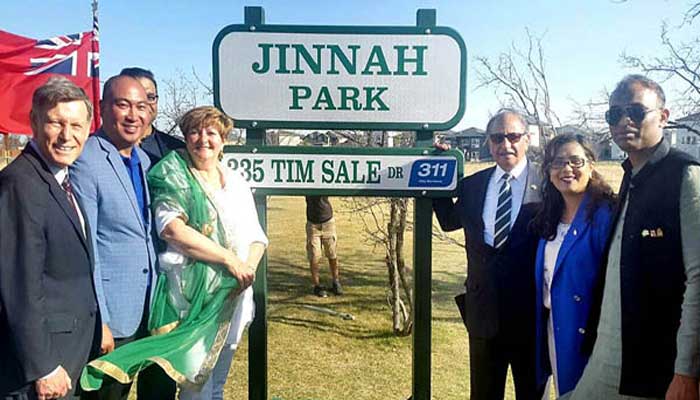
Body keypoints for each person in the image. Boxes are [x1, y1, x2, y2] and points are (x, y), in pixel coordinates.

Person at [80, 106, 267, 400]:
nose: (202, 139)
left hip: (234, 296)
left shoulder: (235, 181)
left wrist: (246, 272)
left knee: (217, 382)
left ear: (224, 139)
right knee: (195, 383)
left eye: (211, 133)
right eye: (194, 131)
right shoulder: (173, 173)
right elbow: (171, 229)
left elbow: (256, 236)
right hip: (191, 299)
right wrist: (230, 261)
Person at [569, 75, 700, 399]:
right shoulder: (632, 175)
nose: (625, 120)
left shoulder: (685, 175)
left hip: (656, 370)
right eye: (615, 114)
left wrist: (686, 371)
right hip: (608, 359)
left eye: (637, 111)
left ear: (664, 117)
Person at [70, 75, 169, 399]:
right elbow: (87, 247)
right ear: (102, 107)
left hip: (149, 309)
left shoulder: (142, 160)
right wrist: (102, 320)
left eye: (141, 106)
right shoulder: (86, 160)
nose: (133, 115)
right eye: (122, 104)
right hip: (113, 316)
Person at [0, 77, 100, 399]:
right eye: (55, 123)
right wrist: (42, 366)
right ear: (34, 122)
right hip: (39, 369)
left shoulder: (61, 179)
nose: (67, 136)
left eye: (76, 125)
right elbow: (18, 285)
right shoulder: (20, 184)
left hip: (69, 350)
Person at [433, 109, 543, 400]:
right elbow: (449, 220)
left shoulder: (549, 185)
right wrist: (438, 168)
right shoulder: (473, 186)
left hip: (531, 320)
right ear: (488, 142)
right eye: (497, 138)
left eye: (513, 136)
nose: (505, 144)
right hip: (483, 316)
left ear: (527, 139)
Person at [529, 134, 615, 397]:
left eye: (575, 161)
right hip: (556, 330)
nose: (566, 169)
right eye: (557, 163)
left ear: (591, 164)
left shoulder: (608, 215)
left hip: (593, 338)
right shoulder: (548, 216)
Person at [119, 67, 184, 165]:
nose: (143, 103)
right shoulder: (94, 151)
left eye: (150, 97)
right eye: (135, 97)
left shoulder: (177, 151)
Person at [305, 195, 342, 297]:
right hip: (313, 224)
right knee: (314, 255)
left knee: (332, 253)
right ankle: (317, 285)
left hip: (327, 221)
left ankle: (336, 281)